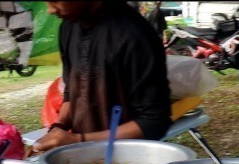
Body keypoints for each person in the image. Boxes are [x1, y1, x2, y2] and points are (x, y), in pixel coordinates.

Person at [31, 1, 171, 154]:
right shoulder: (68, 27)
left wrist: (78, 140)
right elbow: (71, 92)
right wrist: (59, 127)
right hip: (82, 156)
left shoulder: (135, 35)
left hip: (129, 161)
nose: (50, 10)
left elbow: (154, 122)